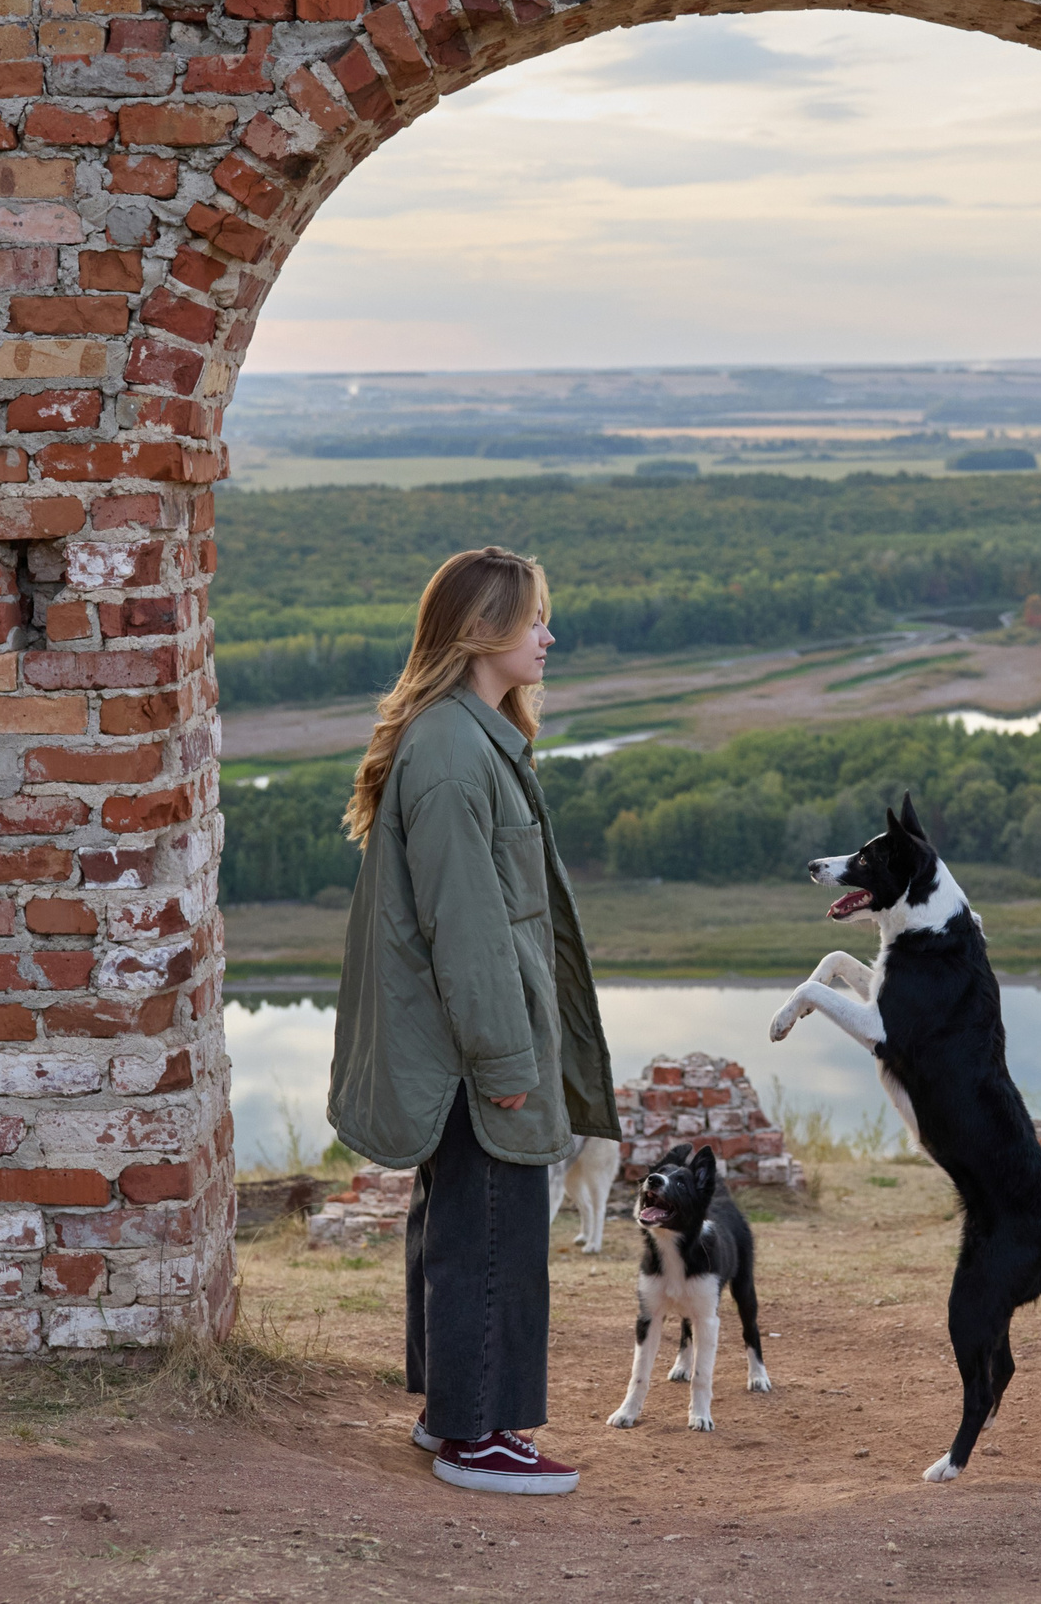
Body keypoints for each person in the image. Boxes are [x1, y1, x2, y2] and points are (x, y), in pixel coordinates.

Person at [330, 546, 619, 1496]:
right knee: (493, 1230)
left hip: (462, 1041)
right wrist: (503, 1056)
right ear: (482, 631)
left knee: (460, 1219)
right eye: (535, 618)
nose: (549, 635)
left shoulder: (466, 733)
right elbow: (469, 930)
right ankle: (479, 1435)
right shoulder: (455, 755)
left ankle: (450, 1414)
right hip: (471, 1047)